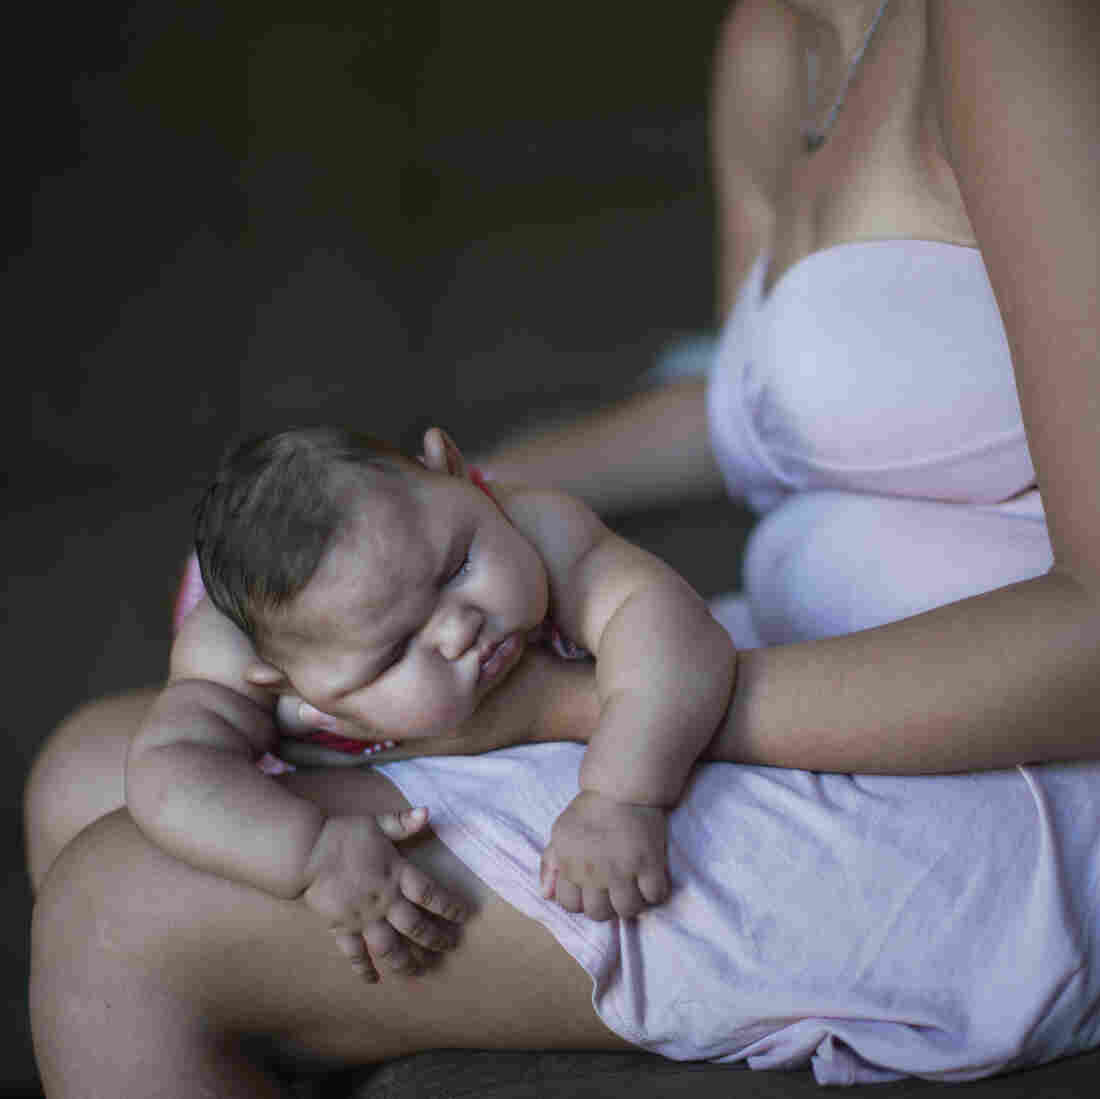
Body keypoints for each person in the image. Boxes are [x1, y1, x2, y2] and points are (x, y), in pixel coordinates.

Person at [26, 1, 1100, 1093]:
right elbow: (752, 399)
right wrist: (361, 540)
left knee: (111, 922)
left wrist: (560, 713)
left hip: (997, 763)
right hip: (778, 655)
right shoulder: (776, 38)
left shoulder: (1009, 22)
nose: (450, 615)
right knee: (84, 773)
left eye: (451, 568)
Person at [125, 422, 735, 979]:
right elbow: (166, 771)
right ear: (283, 684)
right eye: (394, 652)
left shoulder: (537, 527)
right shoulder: (231, 659)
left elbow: (674, 630)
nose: (458, 629)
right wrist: (309, 853)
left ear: (451, 470)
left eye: (456, 568)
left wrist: (621, 792)